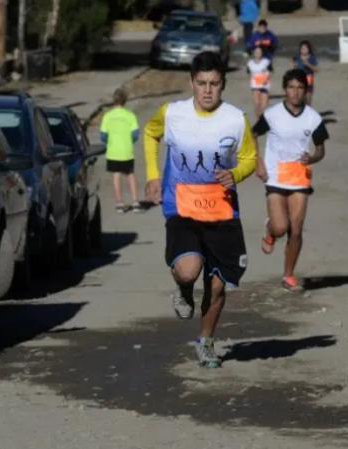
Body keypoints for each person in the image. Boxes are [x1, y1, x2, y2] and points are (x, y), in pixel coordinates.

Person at [143, 51, 257, 368]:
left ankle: (205, 342)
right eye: (202, 83)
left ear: (223, 85)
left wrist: (236, 174)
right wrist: (152, 175)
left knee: (217, 285)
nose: (208, 90)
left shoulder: (236, 119)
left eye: (214, 84)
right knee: (189, 270)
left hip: (222, 211)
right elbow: (150, 134)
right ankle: (183, 287)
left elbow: (250, 158)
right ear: (192, 82)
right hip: (182, 206)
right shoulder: (172, 113)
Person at [254, 69, 328, 292]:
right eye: (291, 87)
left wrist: (312, 157)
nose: (295, 92)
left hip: (299, 177)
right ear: (285, 90)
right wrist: (258, 162)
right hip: (275, 175)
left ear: (306, 90)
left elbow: (321, 150)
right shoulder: (272, 115)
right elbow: (252, 135)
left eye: (300, 88)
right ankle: (271, 231)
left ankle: (288, 275)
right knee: (281, 226)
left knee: (296, 230)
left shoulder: (313, 118)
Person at [101, 88, 142, 213]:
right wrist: (129, 141)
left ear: (113, 100)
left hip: (113, 151)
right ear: (125, 101)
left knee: (116, 175)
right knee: (130, 174)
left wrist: (110, 141)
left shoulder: (107, 116)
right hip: (126, 150)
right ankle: (135, 202)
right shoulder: (130, 116)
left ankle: (119, 203)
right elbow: (135, 134)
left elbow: (103, 136)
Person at [247, 45, 272, 118]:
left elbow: (271, 71)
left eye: (259, 52)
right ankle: (258, 119)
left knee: (264, 105)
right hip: (255, 85)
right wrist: (252, 80)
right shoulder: (250, 63)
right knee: (257, 103)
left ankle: (262, 119)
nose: (258, 53)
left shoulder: (266, 62)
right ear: (253, 53)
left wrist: (267, 76)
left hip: (265, 85)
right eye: (256, 52)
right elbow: (249, 73)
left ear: (262, 53)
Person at [292, 40, 319, 105]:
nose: (303, 50)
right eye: (302, 48)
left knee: (308, 102)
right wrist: (294, 66)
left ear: (309, 49)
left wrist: (308, 64)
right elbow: (294, 70)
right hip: (299, 81)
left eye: (305, 48)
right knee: (299, 101)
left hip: (308, 81)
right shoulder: (297, 57)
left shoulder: (312, 58)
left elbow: (317, 70)